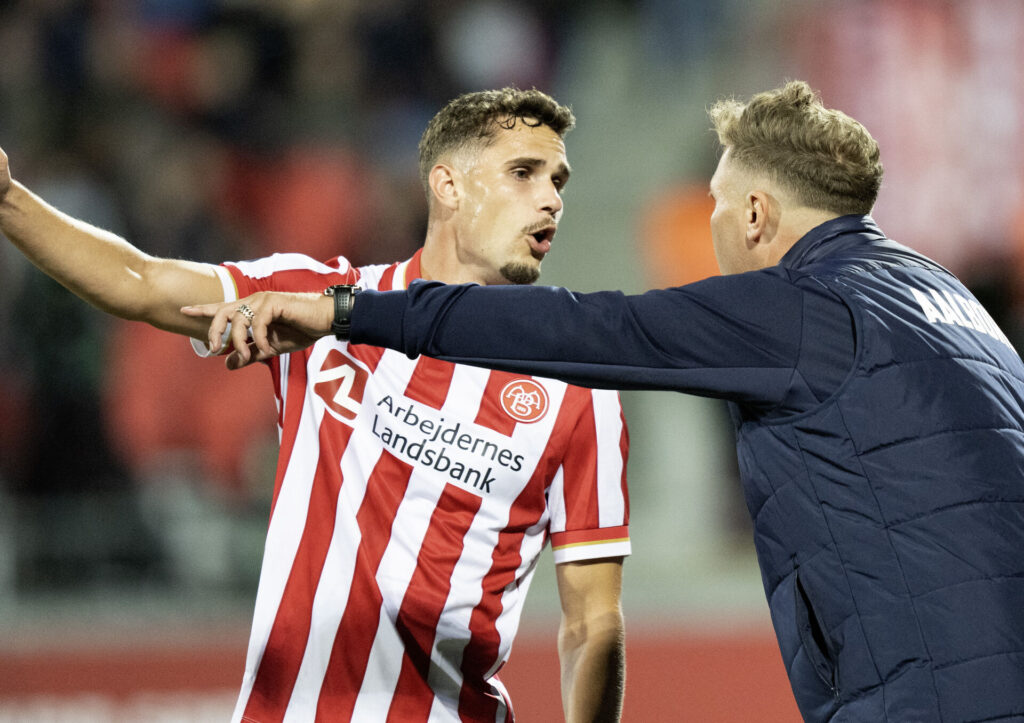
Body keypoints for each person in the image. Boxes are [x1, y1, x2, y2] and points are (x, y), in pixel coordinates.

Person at [192, 80, 1024, 721]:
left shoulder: (801, 307)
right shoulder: (951, 303)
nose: (716, 232)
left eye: (718, 212)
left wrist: (346, 309)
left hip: (936, 693)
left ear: (760, 215)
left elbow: (590, 329)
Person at [0, 88, 631, 722]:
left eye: (558, 180)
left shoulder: (577, 390)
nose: (551, 198)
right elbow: (140, 282)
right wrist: (8, 200)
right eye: (523, 173)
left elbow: (592, 623)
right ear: (448, 185)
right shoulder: (318, 303)